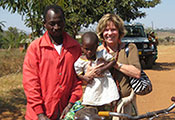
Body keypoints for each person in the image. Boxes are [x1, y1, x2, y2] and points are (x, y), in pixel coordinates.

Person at [22, 5, 83, 120]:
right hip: (38, 114)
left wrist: (71, 104)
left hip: (65, 113)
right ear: (44, 23)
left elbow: (78, 79)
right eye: (52, 24)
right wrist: (40, 114)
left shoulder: (75, 47)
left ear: (64, 22)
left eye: (60, 23)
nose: (56, 27)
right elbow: (31, 83)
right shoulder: (36, 48)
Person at [96, 13, 141, 119]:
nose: (109, 33)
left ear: (120, 32)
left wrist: (113, 63)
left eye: (113, 29)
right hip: (103, 105)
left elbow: (137, 73)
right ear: (102, 32)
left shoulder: (129, 48)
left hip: (125, 105)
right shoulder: (97, 51)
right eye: (106, 30)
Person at [74, 32, 120, 111]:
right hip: (92, 86)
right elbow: (78, 73)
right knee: (92, 104)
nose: (89, 52)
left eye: (92, 49)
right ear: (82, 47)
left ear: (96, 47)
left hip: (105, 85)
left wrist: (103, 69)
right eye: (86, 49)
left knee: (106, 103)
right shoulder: (80, 61)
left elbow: (113, 61)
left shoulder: (102, 54)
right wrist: (85, 78)